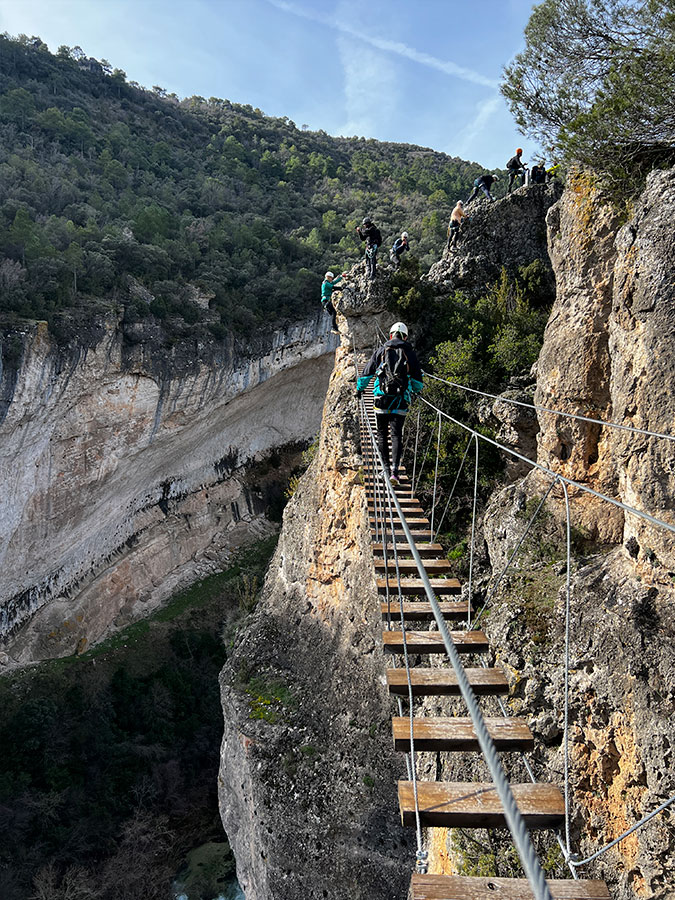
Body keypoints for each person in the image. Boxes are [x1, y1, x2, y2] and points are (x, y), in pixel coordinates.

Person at [356, 321, 423, 485]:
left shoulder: (380, 351)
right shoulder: (410, 354)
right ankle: (395, 473)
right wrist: (414, 391)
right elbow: (417, 383)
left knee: (381, 435)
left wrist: (359, 390)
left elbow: (366, 375)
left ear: (391, 335)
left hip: (381, 400)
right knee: (396, 435)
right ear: (405, 337)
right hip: (400, 401)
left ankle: (385, 470)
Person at [355, 216, 382, 281]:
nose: (364, 226)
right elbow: (363, 238)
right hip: (368, 246)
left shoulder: (373, 229)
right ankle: (369, 272)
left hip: (373, 246)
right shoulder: (368, 230)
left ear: (367, 223)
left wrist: (360, 229)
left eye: (365, 224)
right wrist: (359, 233)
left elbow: (366, 232)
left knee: (372, 260)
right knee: (368, 260)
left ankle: (373, 274)